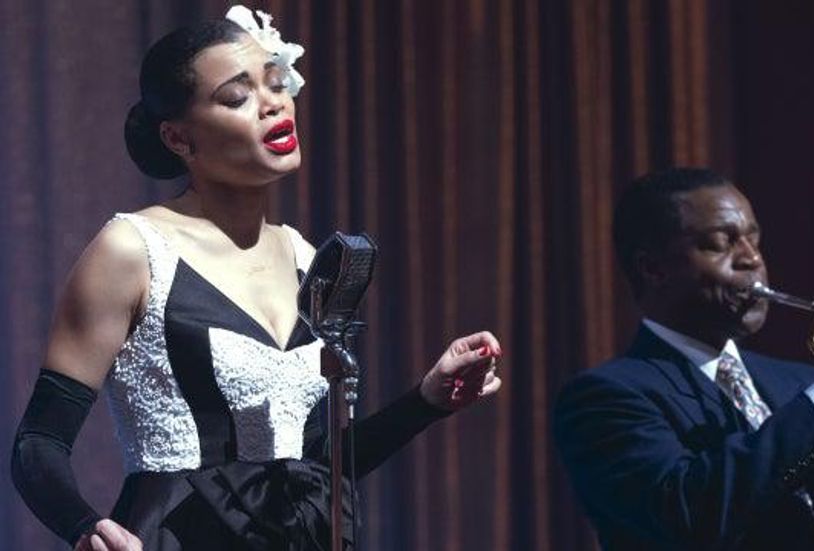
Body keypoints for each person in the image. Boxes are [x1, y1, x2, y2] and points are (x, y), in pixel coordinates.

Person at [11, 7, 502, 551]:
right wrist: (86, 526)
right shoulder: (133, 250)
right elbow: (38, 442)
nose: (273, 104)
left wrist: (425, 401)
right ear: (178, 138)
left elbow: (313, 466)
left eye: (276, 83)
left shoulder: (304, 257)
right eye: (237, 96)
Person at [553, 168, 814, 550]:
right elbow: (691, 516)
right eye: (721, 243)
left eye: (754, 238)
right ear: (653, 268)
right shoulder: (604, 398)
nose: (752, 259)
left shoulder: (802, 386)